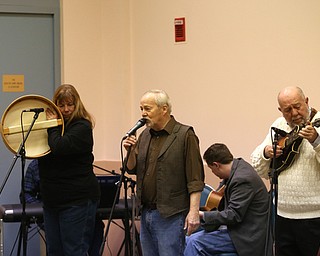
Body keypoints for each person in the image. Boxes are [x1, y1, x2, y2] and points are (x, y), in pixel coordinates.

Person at [123, 89, 205, 256]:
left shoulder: (184, 135)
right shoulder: (145, 134)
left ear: (164, 109)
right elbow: (132, 168)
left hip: (171, 214)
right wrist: (130, 151)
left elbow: (195, 178)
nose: (143, 114)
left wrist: (194, 212)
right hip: (146, 211)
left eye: (147, 109)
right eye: (141, 109)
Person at [251, 86, 320, 256]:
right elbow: (257, 165)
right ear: (280, 110)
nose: (294, 113)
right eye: (287, 110)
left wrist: (316, 140)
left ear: (307, 101)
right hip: (282, 214)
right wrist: (266, 152)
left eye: (297, 106)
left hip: (314, 217)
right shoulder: (278, 125)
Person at [38, 84, 101, 256]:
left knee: (74, 251)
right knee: (54, 251)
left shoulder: (82, 126)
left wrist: (51, 125)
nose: (66, 109)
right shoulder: (51, 128)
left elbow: (59, 146)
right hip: (52, 201)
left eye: (70, 104)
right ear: (55, 105)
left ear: (76, 105)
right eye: (61, 105)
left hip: (76, 201)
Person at [184, 143, 271, 256]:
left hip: (246, 236)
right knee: (189, 239)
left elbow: (233, 215)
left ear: (216, 165)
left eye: (211, 169)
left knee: (193, 242)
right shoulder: (238, 167)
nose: (213, 173)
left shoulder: (242, 180)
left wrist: (201, 214)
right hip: (237, 229)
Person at [20, 158, 104, 256]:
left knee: (96, 227)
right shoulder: (36, 165)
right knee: (57, 250)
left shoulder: (76, 163)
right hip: (51, 211)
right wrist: (40, 209)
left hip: (75, 208)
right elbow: (26, 193)